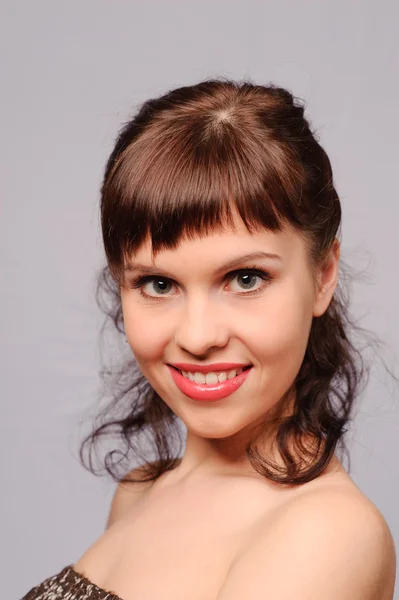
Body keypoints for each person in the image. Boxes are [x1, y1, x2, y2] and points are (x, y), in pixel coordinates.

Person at [22, 78, 396, 600]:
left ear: (323, 274)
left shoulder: (327, 533)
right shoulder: (140, 491)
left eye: (246, 279)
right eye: (158, 284)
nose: (197, 337)